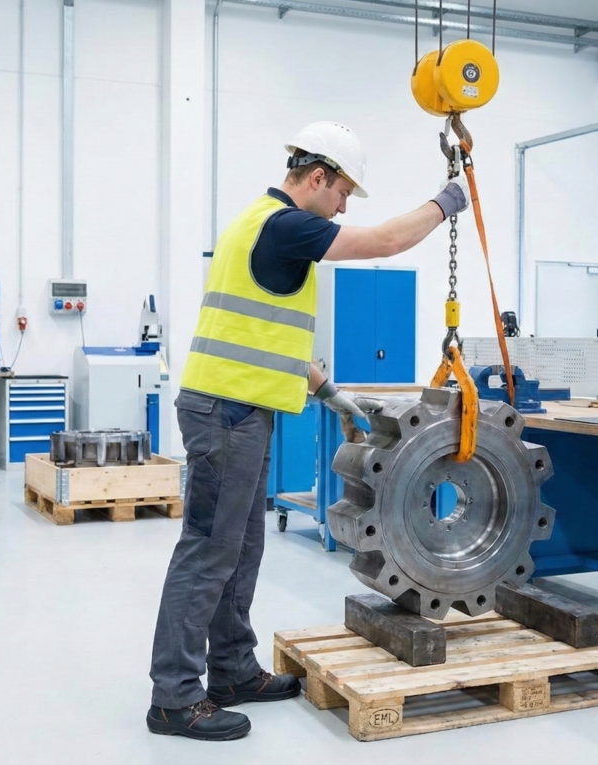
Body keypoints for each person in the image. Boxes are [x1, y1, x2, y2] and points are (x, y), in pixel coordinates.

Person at [146, 121, 469, 741]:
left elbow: (271, 336)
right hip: (226, 414)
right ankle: (174, 698)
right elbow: (382, 241)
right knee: (208, 552)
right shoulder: (287, 224)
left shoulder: (262, 226)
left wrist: (334, 396)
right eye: (343, 191)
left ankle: (233, 671)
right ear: (316, 177)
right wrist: (444, 202)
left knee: (240, 549)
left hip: (240, 410)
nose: (344, 205)